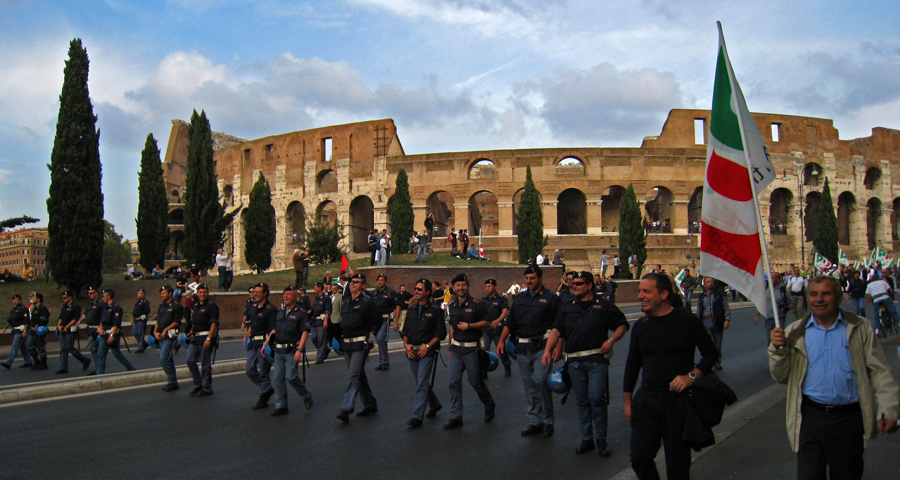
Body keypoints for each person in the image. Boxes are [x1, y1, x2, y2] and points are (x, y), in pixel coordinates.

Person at [769, 275, 899, 480]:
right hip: (809, 417)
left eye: (826, 294)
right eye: (813, 294)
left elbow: (880, 372)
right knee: (809, 475)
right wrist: (777, 350)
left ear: (839, 298)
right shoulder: (794, 332)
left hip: (848, 419)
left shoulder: (860, 327)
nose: (819, 299)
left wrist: (889, 409)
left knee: (847, 474)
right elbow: (781, 376)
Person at [623, 273, 718, 480]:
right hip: (648, 398)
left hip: (678, 400)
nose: (640, 296)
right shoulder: (640, 327)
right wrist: (627, 401)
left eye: (646, 291)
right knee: (639, 457)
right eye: (640, 291)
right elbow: (632, 364)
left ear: (664, 294)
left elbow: (711, 353)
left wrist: (691, 376)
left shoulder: (687, 321)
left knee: (678, 465)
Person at [543, 271, 629, 456]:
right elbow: (558, 330)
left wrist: (611, 340)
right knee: (582, 402)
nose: (573, 286)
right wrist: (549, 349)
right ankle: (586, 439)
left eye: (578, 284)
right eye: (572, 283)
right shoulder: (567, 307)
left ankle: (601, 440)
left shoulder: (604, 306)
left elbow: (622, 324)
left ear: (590, 285)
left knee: (597, 399)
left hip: (596, 360)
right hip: (574, 361)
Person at [499, 264, 561, 437]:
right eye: (527, 279)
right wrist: (501, 341)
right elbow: (510, 323)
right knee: (529, 386)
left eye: (532, 278)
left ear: (540, 278)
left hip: (542, 346)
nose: (529, 281)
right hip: (522, 347)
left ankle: (548, 420)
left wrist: (559, 346)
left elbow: (559, 325)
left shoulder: (551, 299)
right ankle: (536, 421)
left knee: (541, 381)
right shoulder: (519, 299)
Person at [444, 273, 496, 429]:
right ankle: (456, 416)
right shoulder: (451, 306)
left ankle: (488, 403)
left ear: (467, 286)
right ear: (453, 287)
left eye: (463, 285)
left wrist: (470, 326)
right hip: (456, 349)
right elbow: (452, 327)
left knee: (475, 381)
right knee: (453, 382)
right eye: (458, 285)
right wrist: (449, 345)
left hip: (471, 349)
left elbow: (487, 321)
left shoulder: (477, 304)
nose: (461, 288)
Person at [399, 278, 446, 427]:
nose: (416, 292)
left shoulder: (436, 311)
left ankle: (417, 416)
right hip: (412, 351)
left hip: (427, 351)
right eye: (416, 289)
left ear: (427, 292)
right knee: (421, 382)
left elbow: (440, 333)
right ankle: (435, 404)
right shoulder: (412, 309)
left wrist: (428, 346)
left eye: (420, 289)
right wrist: (406, 345)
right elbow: (405, 330)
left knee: (422, 383)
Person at [261, 286, 314, 416]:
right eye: (284, 294)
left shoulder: (300, 313)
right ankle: (281, 405)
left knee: (291, 376)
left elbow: (305, 331)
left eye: (289, 294)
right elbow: (274, 330)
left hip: (291, 350)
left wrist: (299, 350)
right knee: (278, 378)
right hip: (278, 350)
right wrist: (266, 343)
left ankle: (306, 395)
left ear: (296, 297)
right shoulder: (279, 313)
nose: (286, 296)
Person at [336, 273, 381, 423]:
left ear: (363, 285)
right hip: (347, 342)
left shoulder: (367, 302)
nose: (352, 283)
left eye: (356, 282)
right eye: (351, 281)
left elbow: (377, 321)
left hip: (360, 343)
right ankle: (369, 404)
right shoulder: (346, 301)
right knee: (359, 375)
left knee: (353, 375)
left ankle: (346, 408)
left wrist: (371, 335)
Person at [246, 283, 277, 410]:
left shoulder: (271, 309)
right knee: (249, 369)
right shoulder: (253, 307)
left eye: (258, 292)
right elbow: (252, 324)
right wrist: (246, 336)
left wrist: (267, 344)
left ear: (265, 293)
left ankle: (263, 396)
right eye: (254, 292)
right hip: (253, 342)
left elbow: (273, 329)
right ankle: (266, 388)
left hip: (264, 343)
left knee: (264, 371)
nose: (255, 294)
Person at [185, 284, 219, 396]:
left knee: (205, 364)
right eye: (200, 292)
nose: (202, 294)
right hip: (195, 337)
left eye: (204, 292)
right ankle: (198, 383)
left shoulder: (212, 306)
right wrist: (191, 331)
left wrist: (209, 338)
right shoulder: (196, 305)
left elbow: (214, 323)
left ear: (207, 293)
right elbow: (194, 321)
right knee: (190, 360)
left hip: (206, 336)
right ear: (197, 293)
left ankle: (207, 387)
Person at [95, 289, 136, 375]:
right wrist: (100, 329)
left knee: (115, 354)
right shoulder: (105, 307)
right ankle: (100, 373)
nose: (102, 298)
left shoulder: (116, 308)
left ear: (108, 296)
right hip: (104, 334)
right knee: (101, 354)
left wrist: (112, 335)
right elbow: (102, 321)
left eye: (103, 296)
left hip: (112, 334)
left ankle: (131, 368)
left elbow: (116, 323)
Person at [696, 276, 730, 370]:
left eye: (711, 281)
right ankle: (707, 362)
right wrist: (698, 322)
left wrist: (727, 320)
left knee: (717, 344)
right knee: (706, 344)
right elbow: (699, 310)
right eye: (708, 282)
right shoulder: (702, 296)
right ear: (704, 284)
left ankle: (718, 362)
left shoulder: (719, 295)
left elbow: (726, 307)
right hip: (706, 321)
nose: (710, 283)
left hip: (717, 322)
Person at [153, 285, 182, 391]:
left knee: (163, 358)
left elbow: (176, 321)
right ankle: (172, 381)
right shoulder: (162, 306)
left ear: (170, 293)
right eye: (161, 293)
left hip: (170, 335)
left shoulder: (176, 306)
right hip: (161, 336)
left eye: (164, 293)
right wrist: (155, 331)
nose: (162, 295)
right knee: (168, 359)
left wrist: (165, 330)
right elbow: (158, 320)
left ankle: (171, 381)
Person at [481, 279, 511, 377]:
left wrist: (498, 320)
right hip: (486, 329)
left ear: (495, 287)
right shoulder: (483, 300)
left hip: (497, 329)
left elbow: (504, 311)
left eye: (489, 286)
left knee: (501, 350)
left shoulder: (501, 299)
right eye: (486, 286)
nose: (487, 288)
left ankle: (507, 366)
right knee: (484, 350)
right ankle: (484, 369)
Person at [55, 290, 90, 374]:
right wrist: (58, 325)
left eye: (65, 297)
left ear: (70, 297)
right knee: (63, 349)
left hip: (70, 330)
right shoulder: (64, 306)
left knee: (69, 347)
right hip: (62, 329)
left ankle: (85, 360)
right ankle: (64, 367)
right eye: (62, 298)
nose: (63, 299)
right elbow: (61, 317)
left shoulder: (75, 306)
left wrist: (67, 326)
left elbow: (75, 318)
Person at [754, 272, 793, 342]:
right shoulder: (766, 289)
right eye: (769, 278)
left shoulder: (783, 290)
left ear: (778, 280)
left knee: (778, 339)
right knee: (770, 339)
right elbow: (762, 303)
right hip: (769, 317)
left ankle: (779, 352)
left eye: (772, 278)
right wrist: (757, 315)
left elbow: (791, 303)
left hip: (779, 318)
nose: (770, 280)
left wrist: (786, 308)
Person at [371, 274, 400, 371]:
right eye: (378, 280)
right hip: (375, 320)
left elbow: (398, 306)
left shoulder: (390, 292)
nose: (380, 282)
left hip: (385, 319)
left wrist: (396, 322)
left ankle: (385, 362)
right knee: (380, 341)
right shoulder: (375, 292)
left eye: (382, 280)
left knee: (380, 339)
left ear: (385, 281)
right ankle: (382, 361)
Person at [76, 287, 104, 376]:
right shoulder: (90, 304)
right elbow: (86, 314)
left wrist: (100, 327)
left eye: (91, 293)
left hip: (97, 329)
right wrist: (80, 321)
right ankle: (97, 368)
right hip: (90, 329)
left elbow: (104, 316)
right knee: (93, 349)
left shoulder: (100, 303)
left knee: (96, 349)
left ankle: (98, 369)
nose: (90, 295)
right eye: (88, 293)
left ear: (96, 293)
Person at [1, 294, 32, 369]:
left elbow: (26, 321)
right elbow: (10, 320)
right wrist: (5, 328)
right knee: (23, 347)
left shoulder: (23, 309)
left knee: (15, 346)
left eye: (16, 300)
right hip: (15, 330)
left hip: (20, 330)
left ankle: (8, 362)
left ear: (20, 300)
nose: (15, 302)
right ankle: (28, 361)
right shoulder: (13, 309)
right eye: (14, 300)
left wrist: (25, 331)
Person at [26, 293, 50, 370]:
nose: (32, 299)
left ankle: (44, 363)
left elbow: (43, 320)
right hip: (32, 330)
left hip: (40, 330)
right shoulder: (34, 308)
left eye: (34, 297)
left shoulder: (43, 308)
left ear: (38, 299)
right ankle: (36, 361)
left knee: (40, 346)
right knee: (29, 346)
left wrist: (36, 327)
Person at [309, 282, 332, 364]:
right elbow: (313, 308)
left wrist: (326, 320)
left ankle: (320, 357)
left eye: (315, 287)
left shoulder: (326, 298)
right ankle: (325, 349)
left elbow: (328, 310)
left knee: (321, 339)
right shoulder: (316, 298)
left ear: (319, 288)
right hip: (315, 321)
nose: (314, 289)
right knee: (313, 338)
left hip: (322, 320)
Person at [132, 288, 152, 353]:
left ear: (143, 294)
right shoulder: (138, 301)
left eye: (140, 293)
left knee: (140, 333)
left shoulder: (145, 301)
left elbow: (147, 310)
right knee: (135, 332)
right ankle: (144, 343)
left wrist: (143, 315)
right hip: (136, 320)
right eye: (138, 293)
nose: (138, 294)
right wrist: (133, 317)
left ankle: (140, 347)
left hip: (141, 320)